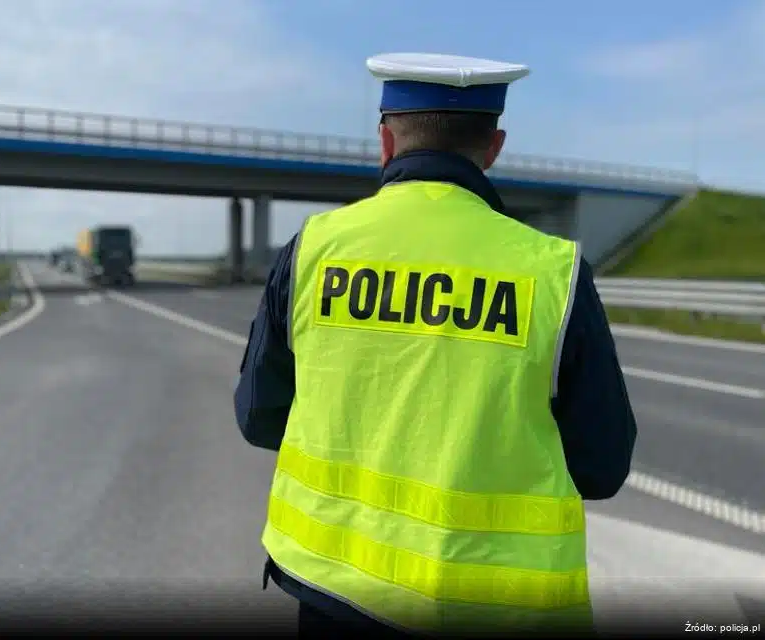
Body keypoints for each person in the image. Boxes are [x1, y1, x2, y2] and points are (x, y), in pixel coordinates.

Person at [233, 53, 638, 637]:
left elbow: (258, 418)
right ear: (493, 147)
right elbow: (602, 468)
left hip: (335, 595)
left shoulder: (314, 249)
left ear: (385, 142)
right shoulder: (553, 271)